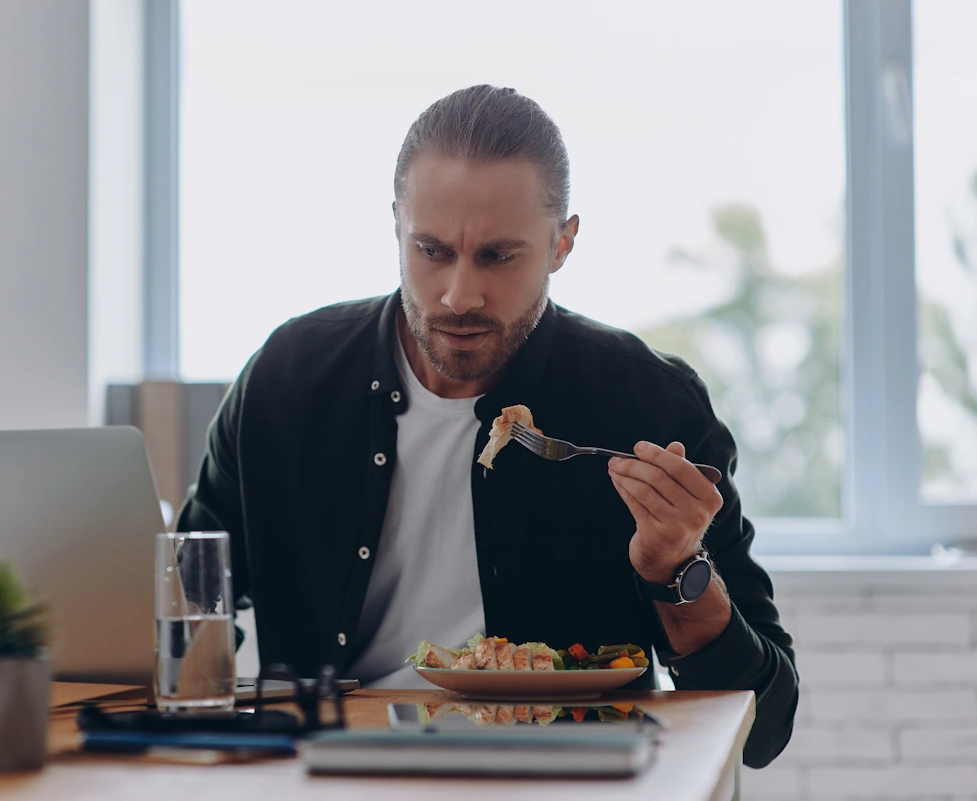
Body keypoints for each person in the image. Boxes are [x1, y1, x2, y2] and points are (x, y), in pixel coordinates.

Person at [178, 84, 797, 768]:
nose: (459, 295)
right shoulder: (286, 379)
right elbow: (186, 599)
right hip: (328, 768)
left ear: (563, 243)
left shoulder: (649, 403)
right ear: (396, 227)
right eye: (432, 251)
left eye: (498, 256)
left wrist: (674, 568)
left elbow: (765, 723)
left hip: (560, 778)